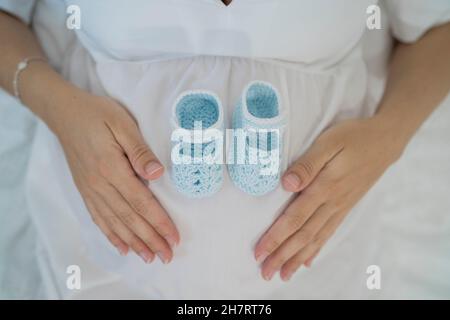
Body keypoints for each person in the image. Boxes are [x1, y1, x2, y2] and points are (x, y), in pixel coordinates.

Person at [0, 0, 449, 299]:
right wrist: (59, 109)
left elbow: (439, 28)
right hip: (103, 264)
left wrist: (388, 137)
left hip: (318, 270)